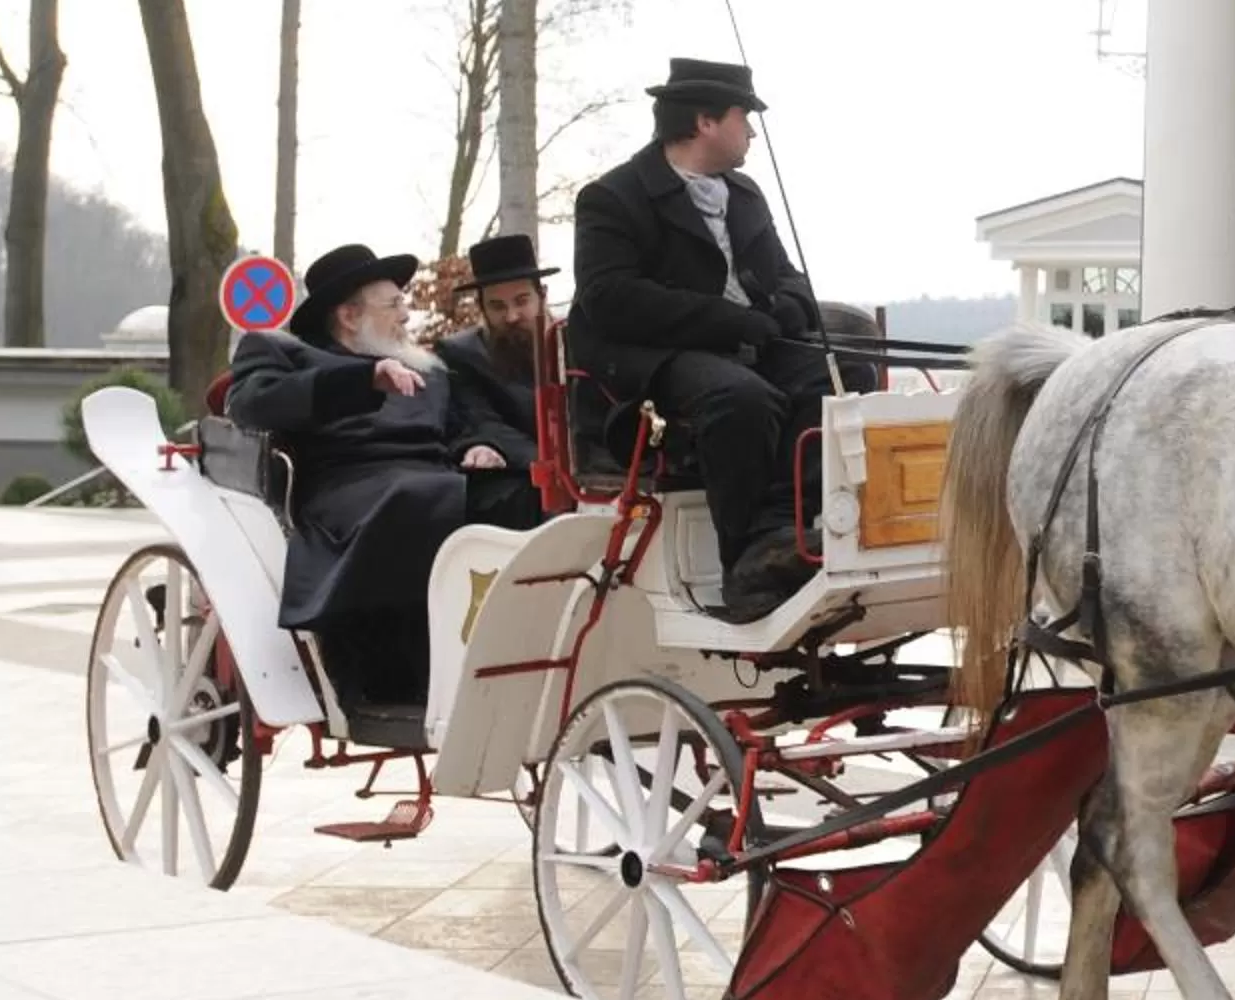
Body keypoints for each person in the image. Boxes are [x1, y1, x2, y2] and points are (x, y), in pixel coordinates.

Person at [568, 58, 834, 623]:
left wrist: (786, 308)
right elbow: (610, 298)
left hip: (738, 346)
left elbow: (787, 276)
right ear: (706, 122)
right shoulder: (612, 197)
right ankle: (745, 563)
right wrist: (728, 321)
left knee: (838, 375)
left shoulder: (744, 195)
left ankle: (782, 528)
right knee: (739, 397)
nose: (753, 131)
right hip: (648, 353)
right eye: (746, 117)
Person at [226, 243, 543, 702]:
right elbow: (252, 404)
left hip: (436, 480)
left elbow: (461, 426)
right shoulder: (280, 350)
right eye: (395, 304)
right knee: (416, 499)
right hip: (347, 490)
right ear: (351, 317)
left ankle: (520, 648)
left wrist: (478, 446)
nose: (407, 316)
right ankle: (402, 676)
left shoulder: (428, 367)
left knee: (523, 494)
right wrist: (363, 380)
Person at [435, 232, 554, 473]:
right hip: (524, 474)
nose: (511, 316)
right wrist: (553, 470)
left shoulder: (574, 343)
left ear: (542, 296)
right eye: (497, 306)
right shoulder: (462, 355)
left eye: (521, 301)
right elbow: (485, 424)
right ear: (482, 307)